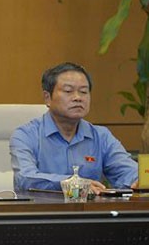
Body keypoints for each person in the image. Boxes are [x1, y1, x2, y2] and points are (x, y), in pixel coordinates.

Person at [10, 62, 138, 194]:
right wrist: (70, 183)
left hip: (89, 212)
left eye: (83, 92)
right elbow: (25, 178)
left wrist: (139, 180)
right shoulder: (25, 135)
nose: (78, 98)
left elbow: (127, 171)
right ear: (47, 98)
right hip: (42, 212)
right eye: (68, 91)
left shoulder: (101, 136)